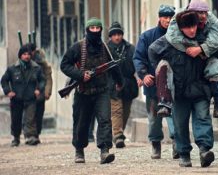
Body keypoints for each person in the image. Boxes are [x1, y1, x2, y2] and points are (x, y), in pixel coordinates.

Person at [149, 10, 215, 168]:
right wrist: (162, 71)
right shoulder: (169, 41)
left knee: (203, 118)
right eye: (187, 27)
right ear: (180, 28)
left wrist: (204, 51)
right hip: (179, 91)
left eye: (193, 26)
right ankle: (184, 154)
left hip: (201, 88)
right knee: (180, 123)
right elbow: (152, 51)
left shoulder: (203, 38)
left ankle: (205, 150)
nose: (192, 30)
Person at [60, 17, 123, 164]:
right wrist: (81, 75)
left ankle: (104, 151)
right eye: (92, 28)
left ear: (101, 30)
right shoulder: (78, 47)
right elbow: (64, 64)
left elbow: (113, 66)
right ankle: (79, 150)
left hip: (102, 90)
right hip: (83, 92)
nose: (95, 31)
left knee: (105, 120)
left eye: (97, 28)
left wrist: (120, 82)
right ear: (87, 30)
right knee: (81, 123)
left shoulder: (105, 47)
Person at [165, 0, 218, 118]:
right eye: (199, 13)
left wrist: (200, 49)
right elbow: (173, 37)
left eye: (205, 12)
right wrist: (192, 46)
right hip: (184, 56)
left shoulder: (211, 19)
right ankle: (164, 103)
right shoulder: (179, 17)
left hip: (205, 53)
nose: (203, 16)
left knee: (217, 68)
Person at [133, 4, 178, 159]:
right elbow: (138, 58)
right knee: (154, 119)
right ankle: (155, 144)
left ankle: (176, 143)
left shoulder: (178, 36)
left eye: (171, 17)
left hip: (173, 85)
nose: (168, 20)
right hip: (153, 85)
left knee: (175, 116)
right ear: (159, 18)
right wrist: (144, 75)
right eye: (165, 17)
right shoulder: (147, 37)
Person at [1, 44, 45, 146]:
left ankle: (30, 137)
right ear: (20, 55)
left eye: (29, 54)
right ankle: (16, 138)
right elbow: (4, 80)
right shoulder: (12, 69)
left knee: (30, 118)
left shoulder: (36, 68)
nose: (27, 56)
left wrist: (39, 89)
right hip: (17, 98)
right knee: (16, 119)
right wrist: (8, 91)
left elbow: (42, 80)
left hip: (30, 98)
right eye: (24, 54)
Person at [107, 22, 140, 148]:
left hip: (128, 83)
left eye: (119, 34)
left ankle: (117, 133)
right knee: (116, 110)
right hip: (112, 84)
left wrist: (140, 75)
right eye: (114, 34)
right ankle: (118, 135)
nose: (117, 37)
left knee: (125, 112)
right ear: (110, 36)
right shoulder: (106, 49)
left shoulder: (129, 48)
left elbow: (137, 62)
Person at [29, 43, 53, 143]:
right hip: (29, 93)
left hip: (41, 92)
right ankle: (31, 135)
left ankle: (36, 134)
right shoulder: (25, 61)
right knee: (30, 115)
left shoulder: (42, 63)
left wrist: (47, 92)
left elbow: (48, 78)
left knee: (39, 115)